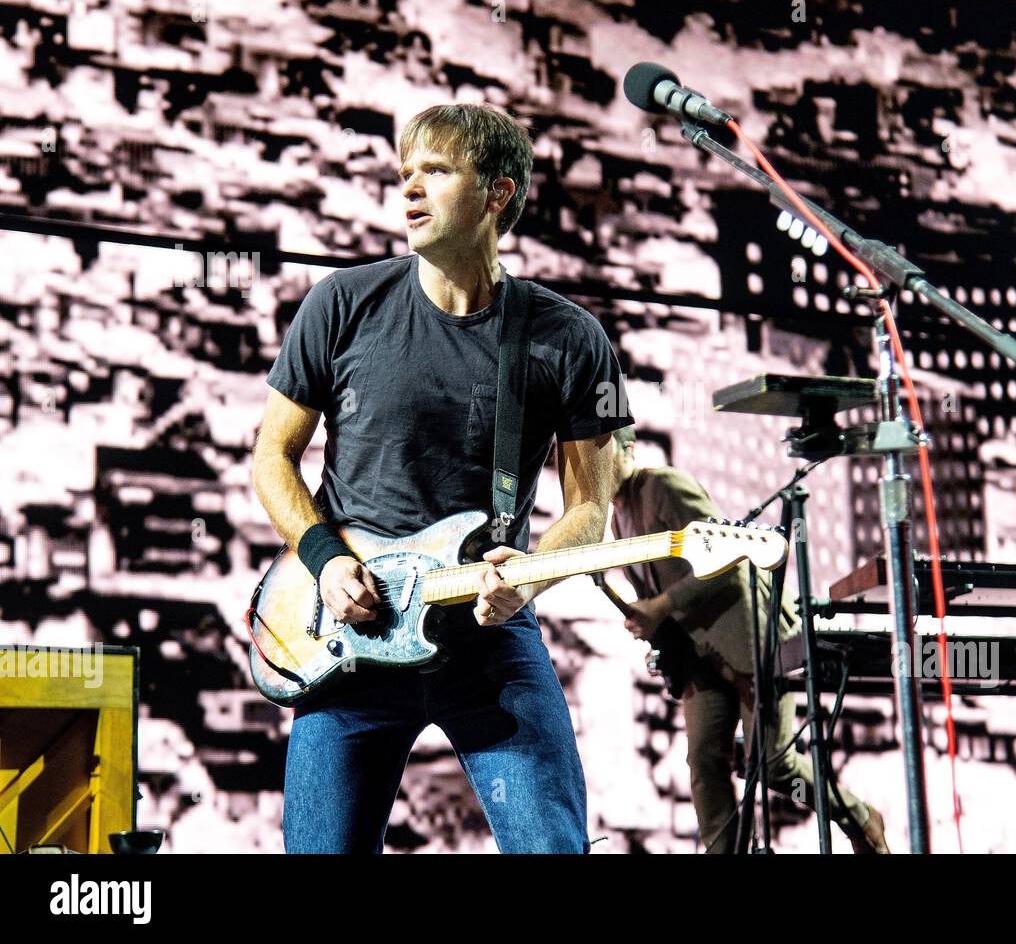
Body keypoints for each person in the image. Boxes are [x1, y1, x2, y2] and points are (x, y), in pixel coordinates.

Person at [252, 103, 632, 853]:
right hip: (351, 635)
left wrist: (527, 575)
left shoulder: (571, 337)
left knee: (554, 846)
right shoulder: (343, 303)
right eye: (404, 173)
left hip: (487, 635)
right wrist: (326, 563)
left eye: (436, 170)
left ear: (498, 192)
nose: (409, 189)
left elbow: (590, 506)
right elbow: (272, 458)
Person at [609, 426, 889, 853]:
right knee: (704, 762)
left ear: (627, 448)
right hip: (701, 658)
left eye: (593, 451)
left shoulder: (663, 486)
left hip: (752, 637)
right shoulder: (619, 517)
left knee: (775, 764)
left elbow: (728, 555)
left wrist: (661, 606)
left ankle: (859, 816)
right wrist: (649, 618)